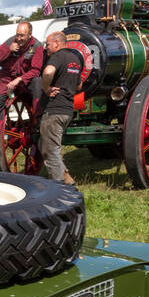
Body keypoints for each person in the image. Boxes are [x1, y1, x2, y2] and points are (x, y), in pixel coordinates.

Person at [0, 21, 44, 148]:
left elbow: (36, 70)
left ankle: (39, 124)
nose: (19, 38)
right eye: (18, 35)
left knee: (38, 83)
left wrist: (20, 79)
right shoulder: (10, 42)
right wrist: (8, 50)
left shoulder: (37, 46)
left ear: (30, 35)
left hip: (26, 80)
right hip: (7, 78)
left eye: (22, 35)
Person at [38, 32, 85, 185]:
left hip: (54, 110)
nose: (46, 48)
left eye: (48, 44)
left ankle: (60, 189)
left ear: (57, 43)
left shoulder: (58, 56)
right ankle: (66, 177)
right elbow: (79, 85)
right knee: (44, 145)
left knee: (51, 152)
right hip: (67, 111)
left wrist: (46, 88)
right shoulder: (75, 59)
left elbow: (47, 72)